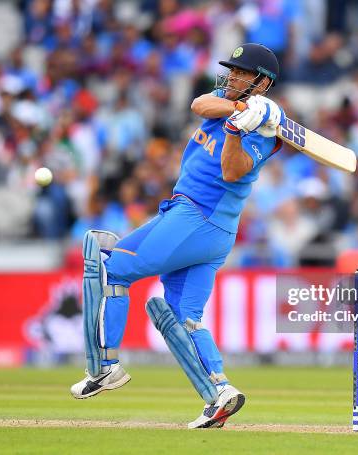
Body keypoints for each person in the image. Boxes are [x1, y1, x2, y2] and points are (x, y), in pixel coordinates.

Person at [70, 43, 283, 429]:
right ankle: (219, 393)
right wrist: (238, 109)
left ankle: (106, 365)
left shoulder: (265, 132)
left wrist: (239, 129)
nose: (231, 77)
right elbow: (199, 105)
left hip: (198, 218)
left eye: (241, 73)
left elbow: (234, 172)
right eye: (231, 71)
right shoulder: (230, 100)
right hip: (203, 224)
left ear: (262, 83)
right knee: (184, 317)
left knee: (110, 263)